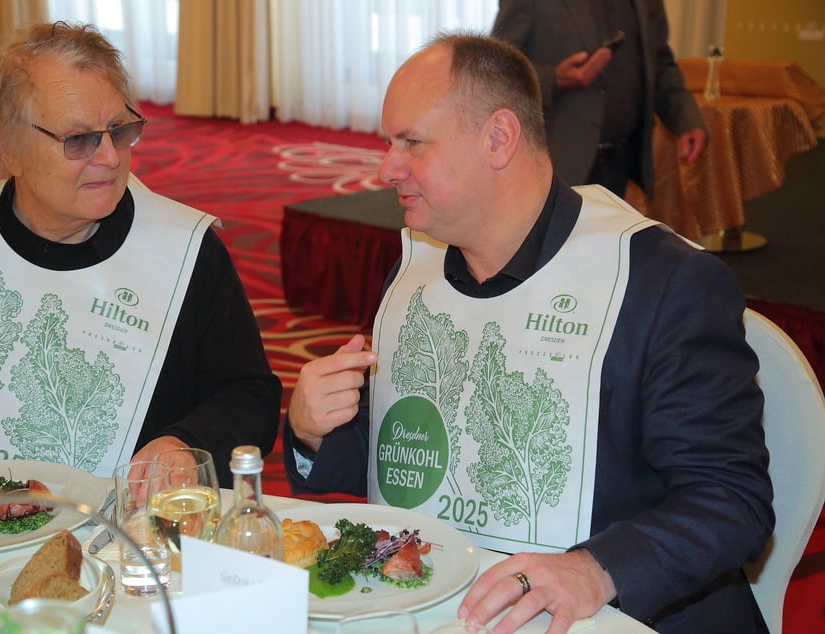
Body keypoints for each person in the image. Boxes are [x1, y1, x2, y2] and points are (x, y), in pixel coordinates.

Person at [284, 33, 773, 633]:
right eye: (389, 142)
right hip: (440, 606)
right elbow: (386, 474)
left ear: (498, 139)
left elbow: (731, 500)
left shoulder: (661, 282)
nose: (387, 167)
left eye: (411, 143)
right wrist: (312, 432)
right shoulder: (414, 267)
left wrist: (595, 569)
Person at [0, 22, 281, 487]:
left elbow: (249, 393)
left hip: (121, 537)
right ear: (10, 150)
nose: (109, 157)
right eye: (79, 139)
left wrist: (185, 442)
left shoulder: (187, 252)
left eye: (119, 130)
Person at [491, 0, 707, 197]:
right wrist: (554, 78)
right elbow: (495, 67)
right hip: (559, 163)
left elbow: (658, 61)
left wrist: (686, 118)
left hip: (621, 163)